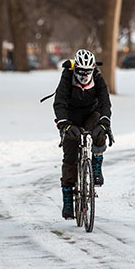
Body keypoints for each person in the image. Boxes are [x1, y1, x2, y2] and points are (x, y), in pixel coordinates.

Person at [53, 49, 112, 220]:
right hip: (70, 117)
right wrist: (63, 123)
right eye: (80, 71)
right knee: (69, 156)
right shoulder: (66, 77)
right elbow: (59, 102)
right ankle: (68, 200)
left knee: (99, 132)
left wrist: (105, 121)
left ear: (93, 69)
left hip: (91, 114)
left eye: (88, 72)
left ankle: (96, 166)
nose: (84, 75)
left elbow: (105, 103)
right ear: (75, 68)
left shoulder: (98, 78)